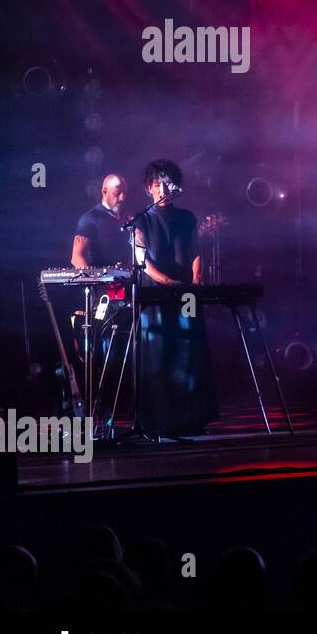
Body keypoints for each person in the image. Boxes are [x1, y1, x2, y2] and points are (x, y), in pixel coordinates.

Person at [131, 159, 215, 436]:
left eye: (167, 183)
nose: (162, 188)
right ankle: (159, 421)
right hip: (155, 295)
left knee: (189, 352)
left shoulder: (187, 217)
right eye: (157, 184)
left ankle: (192, 418)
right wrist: (169, 283)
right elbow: (142, 260)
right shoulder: (140, 219)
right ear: (149, 188)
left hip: (185, 293)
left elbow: (195, 251)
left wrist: (195, 280)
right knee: (158, 355)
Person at [71, 174, 129, 268]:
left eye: (125, 193)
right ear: (104, 191)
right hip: (103, 280)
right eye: (117, 192)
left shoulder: (128, 217)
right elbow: (77, 257)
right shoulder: (90, 219)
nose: (122, 198)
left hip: (128, 280)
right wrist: (92, 279)